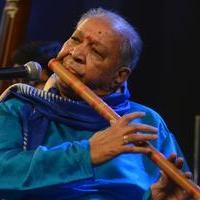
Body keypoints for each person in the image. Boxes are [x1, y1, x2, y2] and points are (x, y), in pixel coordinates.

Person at [0, 8, 193, 200]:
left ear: (119, 76)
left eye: (96, 52)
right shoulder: (20, 107)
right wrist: (86, 153)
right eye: (75, 39)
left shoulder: (147, 122)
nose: (75, 53)